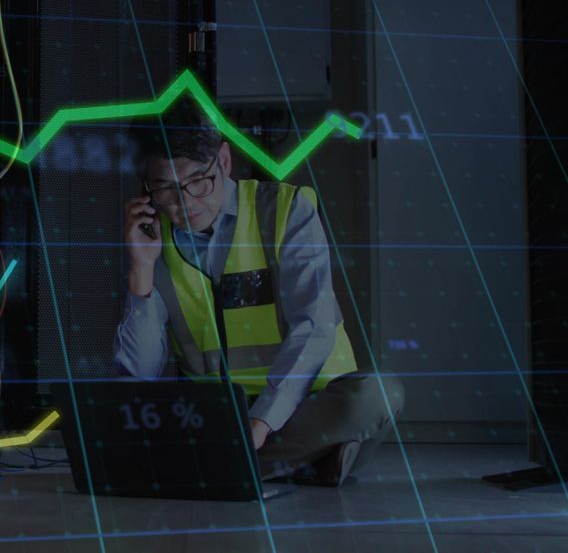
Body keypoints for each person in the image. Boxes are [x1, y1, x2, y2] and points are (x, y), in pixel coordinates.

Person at [113, 102, 405, 486]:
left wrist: (260, 423)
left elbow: (314, 327)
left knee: (375, 395)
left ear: (224, 161)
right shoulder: (153, 239)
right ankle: (306, 460)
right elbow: (139, 374)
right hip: (212, 412)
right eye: (165, 189)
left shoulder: (288, 210)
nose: (183, 203)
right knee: (125, 419)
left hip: (303, 401)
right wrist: (141, 269)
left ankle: (225, 463)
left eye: (197, 181)